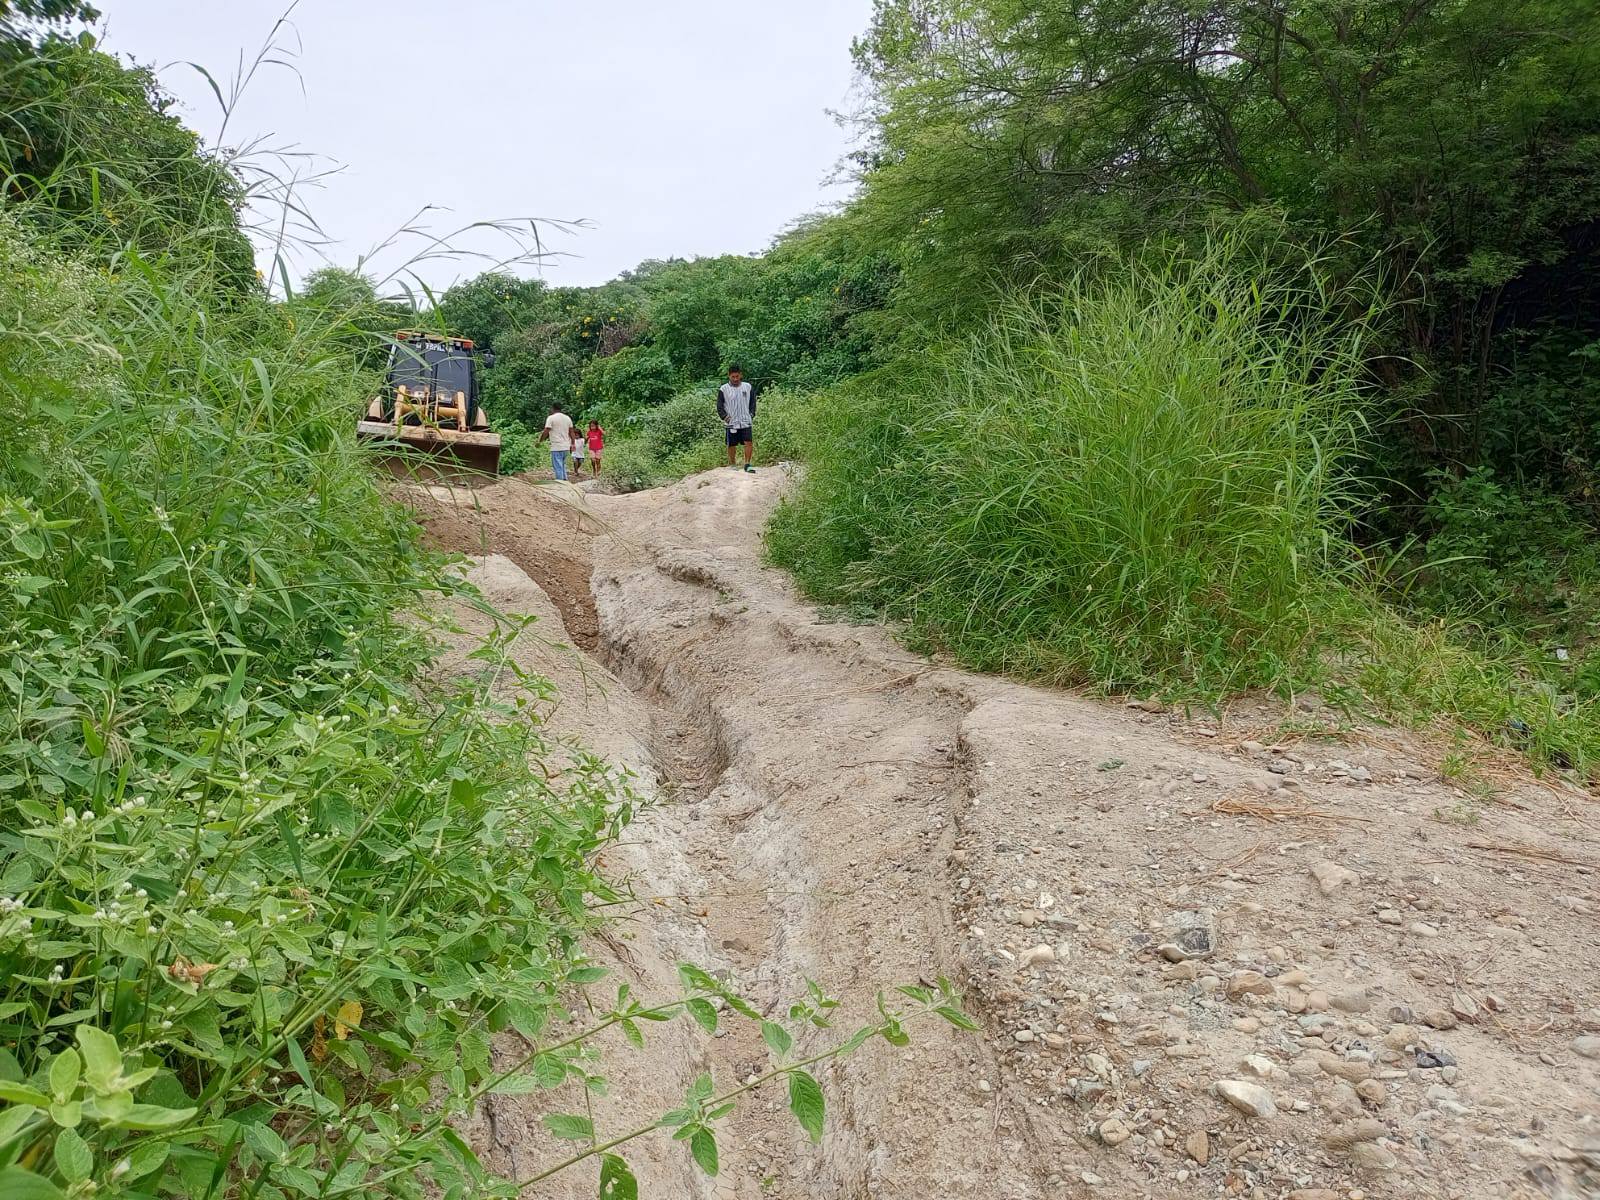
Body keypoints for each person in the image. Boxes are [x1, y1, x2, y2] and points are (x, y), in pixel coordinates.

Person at [716, 364, 757, 473]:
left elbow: (753, 402)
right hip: (731, 422)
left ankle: (747, 464)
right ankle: (733, 464)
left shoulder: (747, 387)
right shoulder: (724, 389)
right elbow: (719, 406)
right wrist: (725, 417)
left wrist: (751, 414)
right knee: (731, 444)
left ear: (740, 375)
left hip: (745, 420)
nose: (735, 379)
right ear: (729, 376)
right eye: (733, 377)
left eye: (737, 376)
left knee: (748, 442)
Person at [538, 401, 575, 481]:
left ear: (553, 408)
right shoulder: (567, 418)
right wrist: (573, 443)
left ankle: (560, 482)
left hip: (556, 446)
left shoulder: (551, 418)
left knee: (558, 466)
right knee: (563, 465)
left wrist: (540, 441)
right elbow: (571, 432)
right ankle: (565, 481)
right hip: (566, 446)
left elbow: (546, 430)